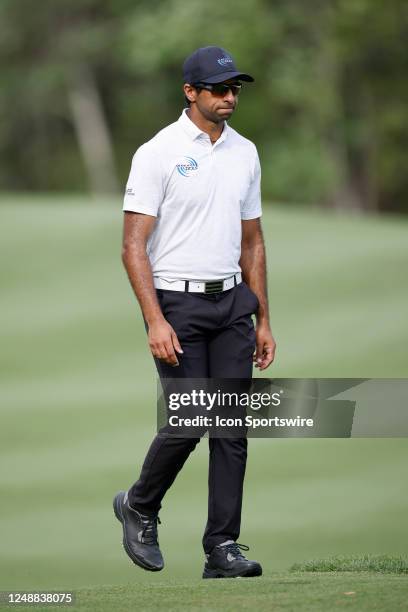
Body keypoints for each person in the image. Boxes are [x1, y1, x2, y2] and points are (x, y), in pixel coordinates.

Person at [113, 46, 276, 579]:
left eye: (235, 89)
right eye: (218, 89)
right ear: (191, 92)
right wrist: (155, 319)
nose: (229, 98)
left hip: (232, 302)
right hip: (176, 302)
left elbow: (252, 242)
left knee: (231, 427)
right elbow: (133, 245)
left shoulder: (245, 152)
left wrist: (264, 320)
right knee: (189, 420)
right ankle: (139, 503)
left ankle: (222, 548)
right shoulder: (156, 152)